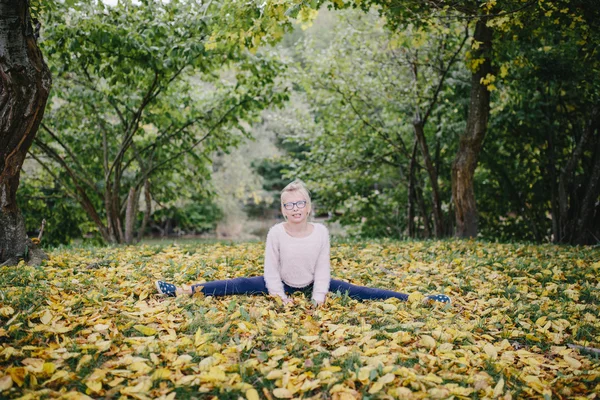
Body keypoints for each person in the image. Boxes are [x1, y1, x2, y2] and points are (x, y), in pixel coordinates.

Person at [155, 180, 450, 305]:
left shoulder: (321, 232)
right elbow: (271, 270)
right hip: (280, 281)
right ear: (283, 210)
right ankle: (184, 291)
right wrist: (278, 295)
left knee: (359, 291)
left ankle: (416, 299)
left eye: (300, 204)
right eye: (289, 205)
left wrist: (318, 296)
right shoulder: (275, 232)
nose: (295, 209)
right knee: (240, 283)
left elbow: (323, 268)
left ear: (308, 207)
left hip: (312, 282)